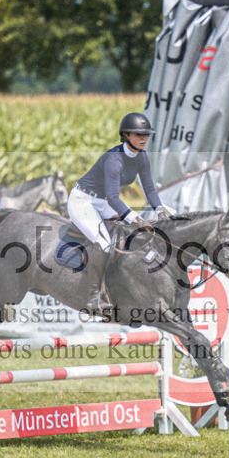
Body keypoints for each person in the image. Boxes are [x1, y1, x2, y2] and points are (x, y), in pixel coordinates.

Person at [67, 112, 175, 313]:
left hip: (102, 201)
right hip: (83, 201)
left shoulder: (141, 157)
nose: (144, 138)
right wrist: (137, 218)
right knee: (105, 244)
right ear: (126, 135)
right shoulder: (114, 160)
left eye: (146, 135)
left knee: (129, 236)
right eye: (138, 134)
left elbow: (150, 189)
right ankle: (92, 296)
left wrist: (160, 210)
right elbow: (114, 198)